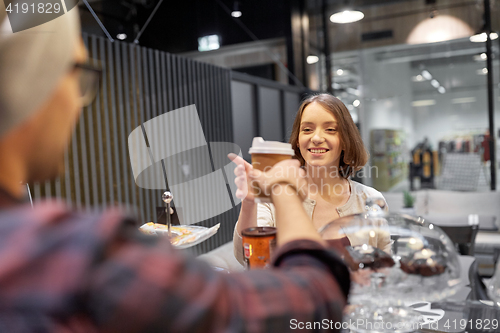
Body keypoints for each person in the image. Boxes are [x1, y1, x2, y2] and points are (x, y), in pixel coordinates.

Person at [0, 3, 350, 331]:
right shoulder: (80, 253)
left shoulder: (368, 199)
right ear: (29, 84)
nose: (78, 104)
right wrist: (283, 189)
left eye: (330, 129)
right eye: (79, 73)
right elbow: (311, 297)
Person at [233, 94, 391, 266]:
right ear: (298, 141)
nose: (316, 138)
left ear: (345, 141)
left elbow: (384, 264)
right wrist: (249, 203)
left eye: (330, 129)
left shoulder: (370, 200)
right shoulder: (275, 195)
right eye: (307, 129)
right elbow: (246, 257)